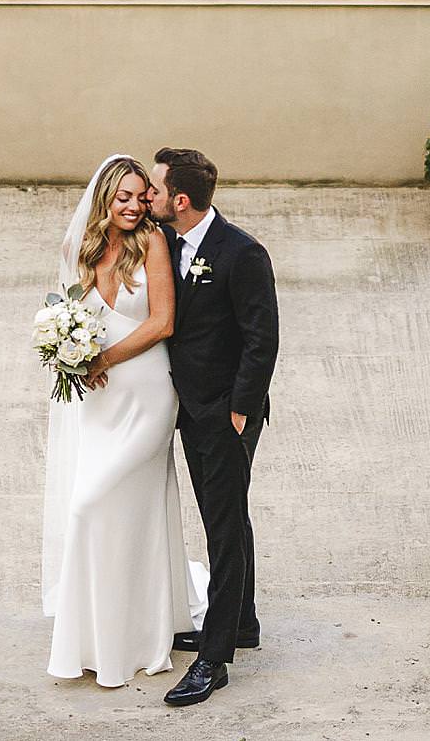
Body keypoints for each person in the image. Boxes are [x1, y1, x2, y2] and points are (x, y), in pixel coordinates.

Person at [42, 155, 202, 687]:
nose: (134, 206)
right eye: (123, 197)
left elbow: (163, 322)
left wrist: (104, 359)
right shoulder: (80, 249)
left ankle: (133, 634)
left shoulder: (152, 242)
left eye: (140, 196)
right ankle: (97, 632)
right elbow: (67, 315)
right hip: (99, 403)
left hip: (148, 397)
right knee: (106, 511)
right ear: (104, 199)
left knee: (92, 504)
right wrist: (67, 350)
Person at [149, 147, 278, 709]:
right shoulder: (168, 241)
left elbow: (262, 338)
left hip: (226, 414)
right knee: (226, 516)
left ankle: (214, 658)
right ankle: (242, 621)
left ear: (180, 199)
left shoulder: (242, 253)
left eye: (155, 190)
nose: (148, 197)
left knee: (222, 529)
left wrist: (239, 409)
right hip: (190, 409)